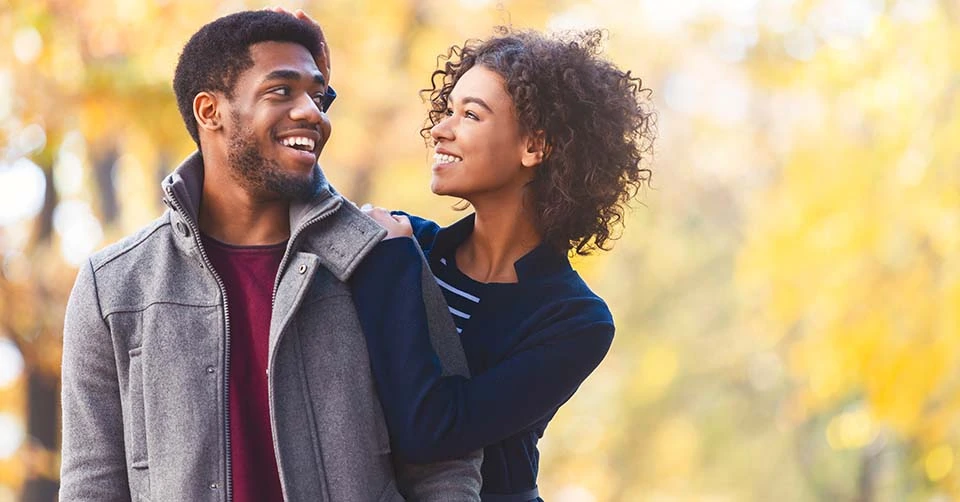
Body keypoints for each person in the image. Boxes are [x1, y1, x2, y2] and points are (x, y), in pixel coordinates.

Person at [59, 10, 482, 502]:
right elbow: (92, 482)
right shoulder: (115, 286)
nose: (313, 113)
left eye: (318, 96)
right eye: (281, 90)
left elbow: (444, 462)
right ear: (209, 111)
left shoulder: (378, 256)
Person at [353, 28, 655, 501]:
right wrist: (307, 90)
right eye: (447, 110)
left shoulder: (576, 320)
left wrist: (393, 265)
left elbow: (435, 430)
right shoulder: (411, 245)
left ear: (534, 147)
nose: (440, 129)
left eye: (470, 114)